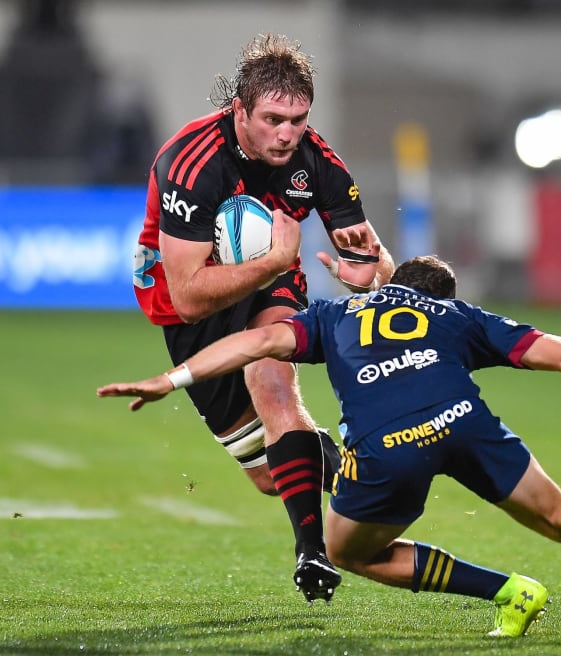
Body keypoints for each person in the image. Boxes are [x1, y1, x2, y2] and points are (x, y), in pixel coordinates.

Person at [102, 255, 561, 640]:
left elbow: (254, 344)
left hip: (388, 449)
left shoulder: (333, 315)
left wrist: (172, 378)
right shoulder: (460, 317)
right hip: (465, 423)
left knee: (343, 552)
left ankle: (509, 591)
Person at [130, 32, 394, 604]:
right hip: (186, 299)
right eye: (273, 118)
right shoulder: (192, 162)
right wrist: (275, 256)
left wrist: (368, 272)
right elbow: (192, 296)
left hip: (272, 284)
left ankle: (312, 552)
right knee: (268, 476)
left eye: (298, 119)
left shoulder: (318, 162)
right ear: (240, 110)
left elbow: (378, 266)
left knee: (272, 379)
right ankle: (362, 470)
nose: (287, 133)